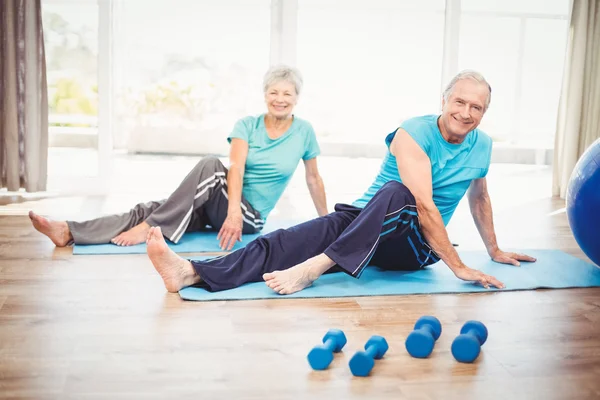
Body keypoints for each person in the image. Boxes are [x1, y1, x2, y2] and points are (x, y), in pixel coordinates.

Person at [144, 70, 537, 294]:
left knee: (398, 194)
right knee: (282, 241)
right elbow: (424, 200)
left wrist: (484, 253)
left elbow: (476, 198)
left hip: (412, 246)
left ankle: (315, 267)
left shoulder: (483, 146)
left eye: (476, 107)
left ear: (484, 112)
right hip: (364, 225)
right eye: (460, 102)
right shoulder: (412, 133)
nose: (466, 113)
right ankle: (192, 273)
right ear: (444, 100)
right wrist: (461, 266)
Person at [29, 65, 328, 251]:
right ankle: (68, 231)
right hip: (226, 206)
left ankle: (151, 226)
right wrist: (230, 211)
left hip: (249, 216)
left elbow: (313, 178)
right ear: (265, 95)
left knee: (209, 167)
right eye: (274, 92)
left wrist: (327, 221)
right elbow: (235, 169)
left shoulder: (304, 132)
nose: (280, 99)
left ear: (297, 98)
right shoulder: (247, 125)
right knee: (149, 209)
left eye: (287, 94)